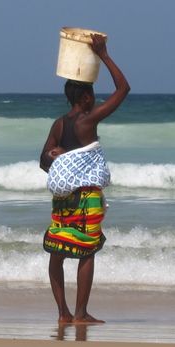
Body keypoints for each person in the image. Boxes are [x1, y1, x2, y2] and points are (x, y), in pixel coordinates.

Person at [39, 34, 130, 324]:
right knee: (86, 252)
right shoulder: (88, 120)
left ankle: (62, 313)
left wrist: (60, 156)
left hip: (62, 200)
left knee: (57, 251)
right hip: (86, 198)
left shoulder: (60, 124)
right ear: (86, 97)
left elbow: (44, 162)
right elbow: (124, 88)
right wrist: (103, 54)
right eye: (93, 95)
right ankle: (80, 313)